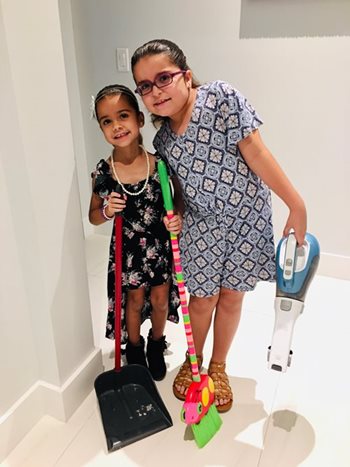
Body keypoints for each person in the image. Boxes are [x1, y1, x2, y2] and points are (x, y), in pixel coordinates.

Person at [131, 39, 307, 411]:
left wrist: (295, 203)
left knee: (231, 296)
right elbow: (176, 192)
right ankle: (194, 364)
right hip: (202, 227)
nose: (155, 91)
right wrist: (174, 214)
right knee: (203, 299)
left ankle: (218, 366)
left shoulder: (221, 99)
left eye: (163, 78)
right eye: (144, 86)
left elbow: (257, 152)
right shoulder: (163, 141)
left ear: (186, 76)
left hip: (246, 218)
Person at [88, 84, 182, 381]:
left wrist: (175, 219)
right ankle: (135, 346)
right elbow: (93, 217)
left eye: (123, 116)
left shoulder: (160, 165)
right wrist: (107, 211)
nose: (116, 126)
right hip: (128, 252)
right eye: (106, 121)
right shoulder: (105, 172)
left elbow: (176, 201)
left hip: (159, 247)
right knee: (134, 301)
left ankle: (156, 343)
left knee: (160, 300)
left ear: (139, 119)